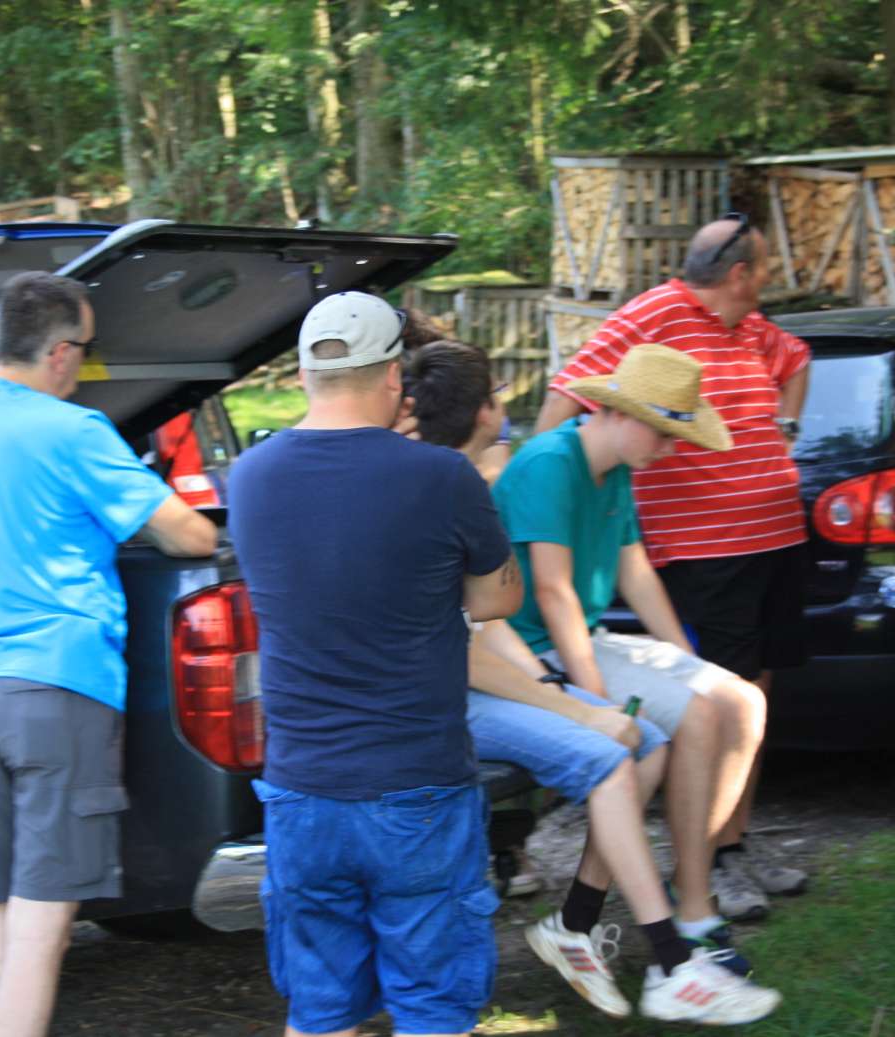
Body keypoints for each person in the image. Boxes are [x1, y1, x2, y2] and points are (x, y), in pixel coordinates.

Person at [405, 341, 782, 1025]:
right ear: (619, 413)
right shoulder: (548, 464)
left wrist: (684, 661)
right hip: (534, 651)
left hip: (556, 645)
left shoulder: (611, 471)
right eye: (663, 431)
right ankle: (684, 921)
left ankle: (631, 910)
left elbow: (633, 573)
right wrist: (588, 702)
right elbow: (547, 597)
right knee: (675, 726)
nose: (669, 446)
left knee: (741, 700)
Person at [0, 272, 218, 1037]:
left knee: (6, 924)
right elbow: (192, 534)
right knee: (42, 935)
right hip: (56, 691)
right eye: (88, 352)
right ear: (61, 352)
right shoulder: (73, 431)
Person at [226, 292, 521, 1037]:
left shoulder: (250, 476)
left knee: (321, 1011)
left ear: (302, 375)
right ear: (395, 376)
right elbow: (495, 599)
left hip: (302, 789)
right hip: (417, 786)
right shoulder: (441, 476)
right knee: (431, 1009)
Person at [534, 214, 810, 921]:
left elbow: (798, 361)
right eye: (765, 267)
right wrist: (550, 491)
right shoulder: (653, 315)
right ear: (741, 272)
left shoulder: (753, 326)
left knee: (753, 691)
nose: (770, 279)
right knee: (707, 707)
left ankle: (732, 845)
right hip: (705, 548)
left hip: (772, 535)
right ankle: (704, 868)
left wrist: (782, 431)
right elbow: (569, 393)